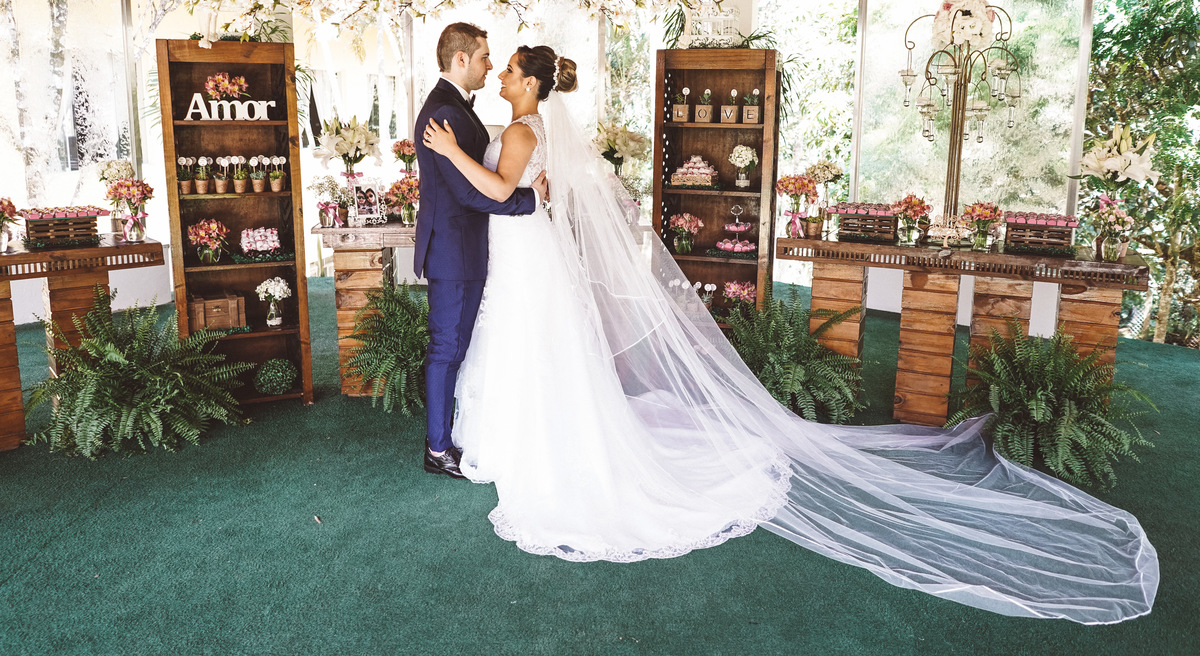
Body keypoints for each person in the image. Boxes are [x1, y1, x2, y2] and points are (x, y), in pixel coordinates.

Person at [422, 45, 1158, 624]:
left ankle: (527, 440)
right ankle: (532, 430)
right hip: (529, 254)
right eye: (499, 67)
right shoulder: (535, 130)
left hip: (524, 256)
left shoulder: (520, 130)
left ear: (530, 83)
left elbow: (502, 191)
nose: (501, 76)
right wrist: (520, 186)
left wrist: (454, 156)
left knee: (529, 344)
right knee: (538, 347)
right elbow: (530, 191)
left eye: (509, 69)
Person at [412, 23, 547, 480]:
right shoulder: (444, 112)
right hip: (454, 250)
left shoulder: (457, 108)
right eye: (486, 57)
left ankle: (452, 437)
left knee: (457, 346)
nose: (491, 66)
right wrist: (530, 200)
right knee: (447, 347)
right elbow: (469, 194)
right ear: (461, 60)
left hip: (469, 248)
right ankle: (437, 448)